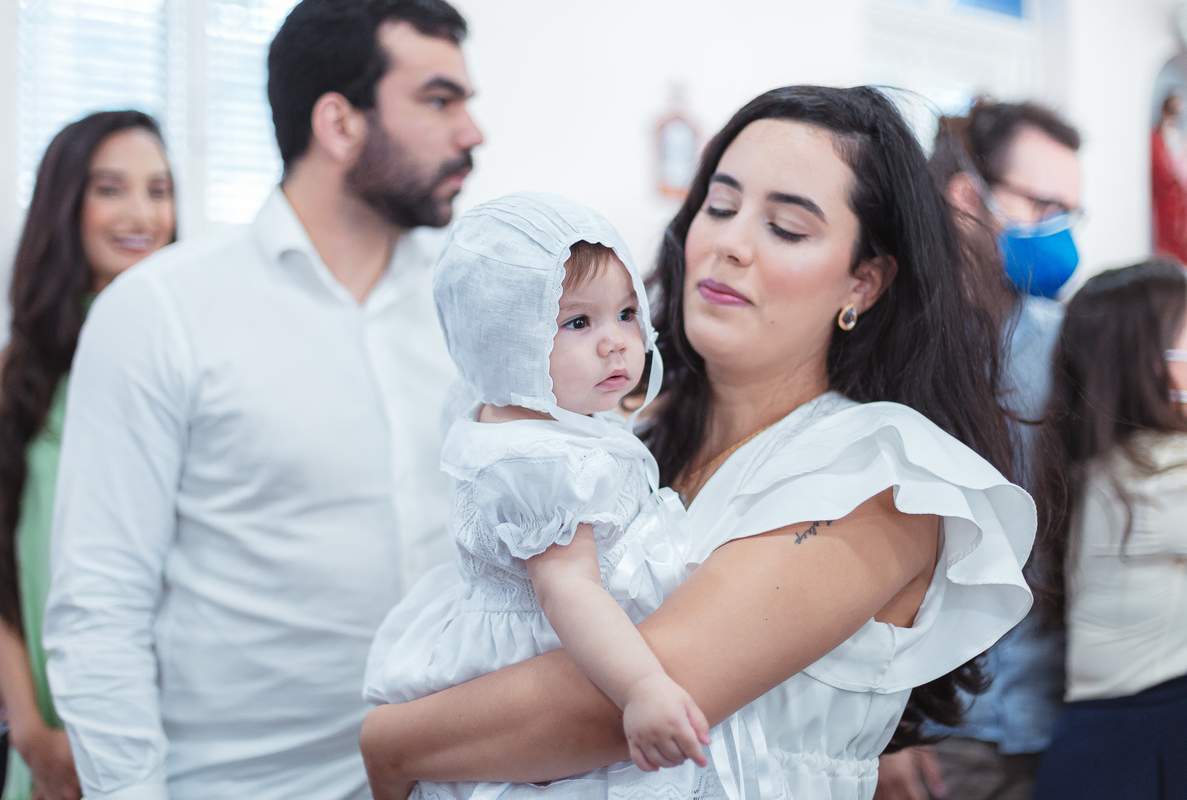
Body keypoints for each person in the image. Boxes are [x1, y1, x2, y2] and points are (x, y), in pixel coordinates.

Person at [360, 85, 1037, 800]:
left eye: (786, 227)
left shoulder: (884, 474)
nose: (729, 244)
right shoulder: (623, 436)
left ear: (863, 283)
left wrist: (392, 742)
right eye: (719, 206)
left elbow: (624, 699)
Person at [41, 1, 483, 798]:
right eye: (440, 101)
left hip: (457, 779)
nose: (471, 133)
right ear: (339, 123)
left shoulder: (474, 309)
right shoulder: (160, 312)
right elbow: (99, 608)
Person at [365, 191, 721, 794]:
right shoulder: (535, 460)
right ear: (504, 339)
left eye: (628, 313)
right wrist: (640, 688)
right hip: (553, 665)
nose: (615, 342)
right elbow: (569, 589)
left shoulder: (546, 412)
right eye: (578, 322)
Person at [876, 98, 1083, 800]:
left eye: (1070, 214)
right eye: (1044, 204)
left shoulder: (1065, 343)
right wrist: (886, 728)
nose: (1060, 235)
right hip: (936, 736)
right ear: (967, 195)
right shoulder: (888, 345)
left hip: (1053, 715)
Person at [0, 110, 176, 800]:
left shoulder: (183, 360)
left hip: (169, 705)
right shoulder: (20, 370)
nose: (141, 213)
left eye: (158, 190)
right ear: (66, 205)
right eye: (111, 188)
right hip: (45, 709)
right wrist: (31, 730)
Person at [1027, 259, 1187, 800]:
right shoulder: (1159, 474)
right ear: (1145, 361)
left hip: (1105, 742)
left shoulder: (1100, 467)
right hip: (1140, 741)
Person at [1152, 93, 1187, 264]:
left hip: (1180, 199)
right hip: (1167, 200)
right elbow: (1162, 169)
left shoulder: (1178, 135)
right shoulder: (1157, 137)